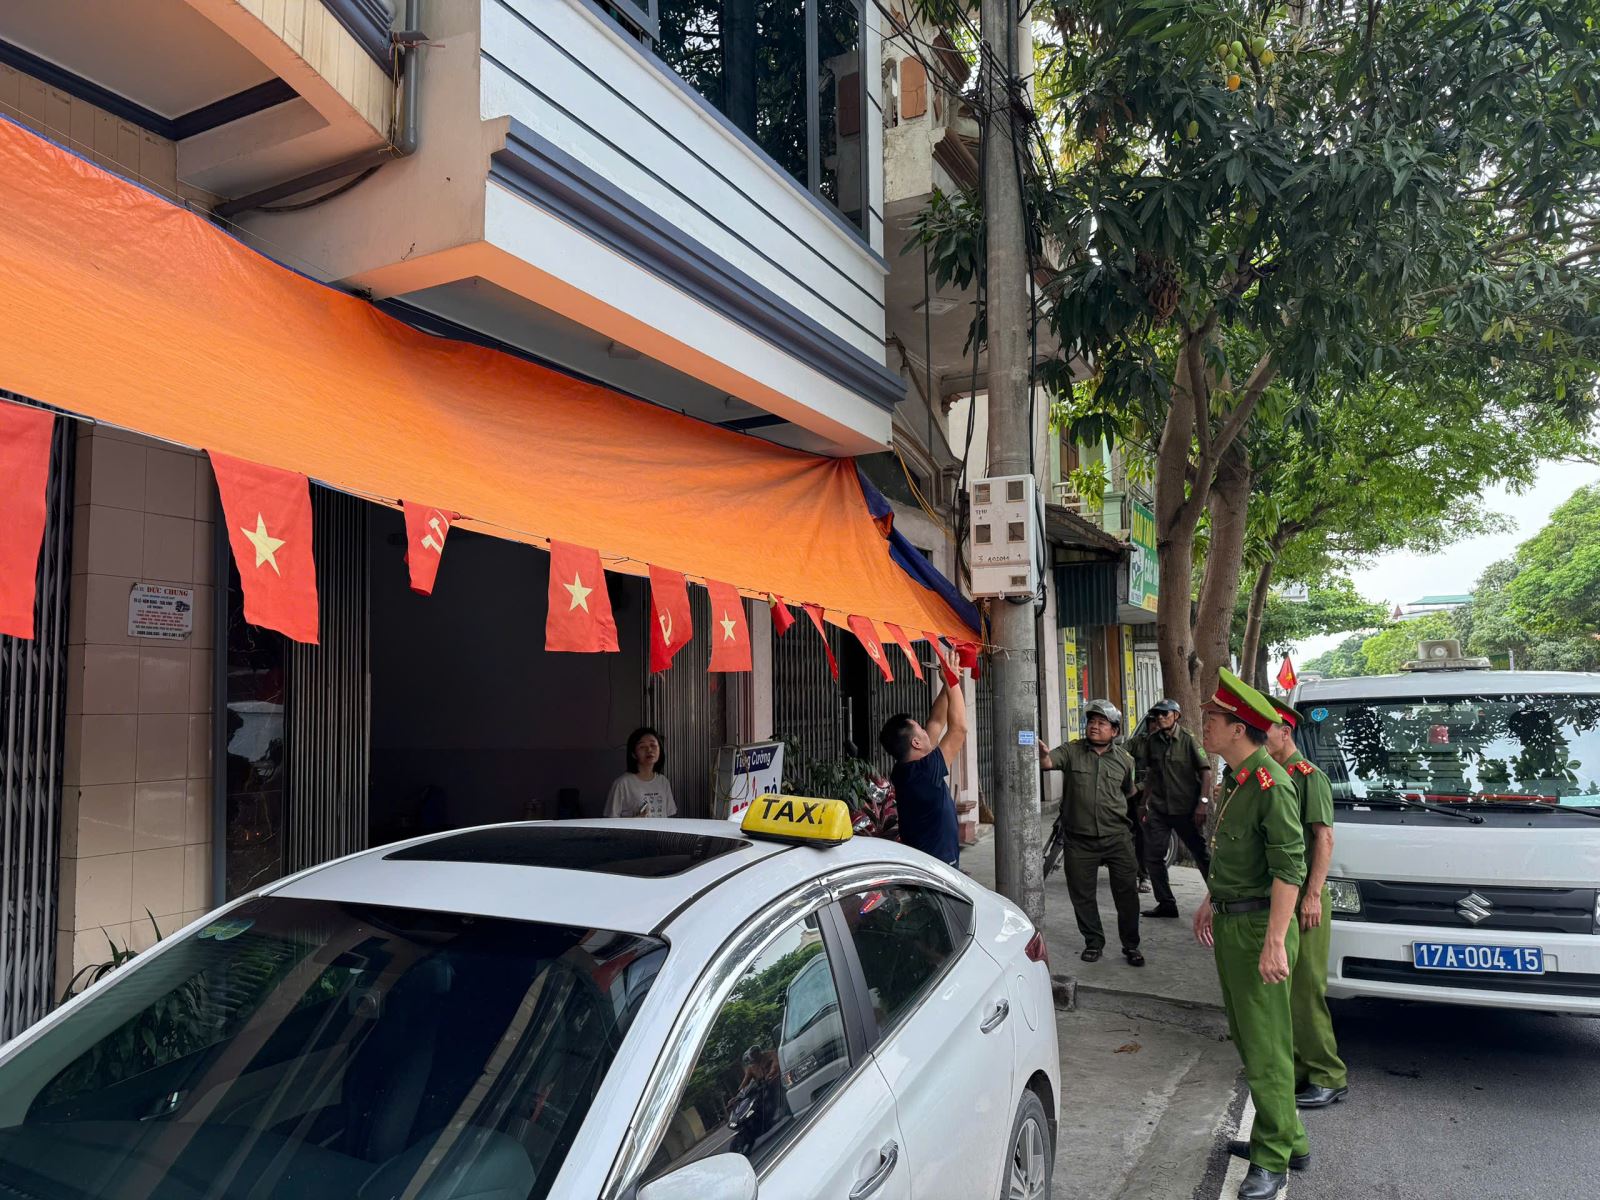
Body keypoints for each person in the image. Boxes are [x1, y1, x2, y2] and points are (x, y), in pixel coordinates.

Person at [1195, 669, 1309, 1200]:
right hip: (1232, 921)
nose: (1205, 726)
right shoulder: (1240, 780)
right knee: (1250, 1037)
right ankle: (1291, 1137)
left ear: (1239, 729)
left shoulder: (1272, 784)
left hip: (1260, 927)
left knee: (1266, 1046)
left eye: (1212, 720)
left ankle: (1272, 1158)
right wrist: (1210, 899)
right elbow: (1237, 857)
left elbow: (1290, 868)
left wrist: (1274, 941)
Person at [1268, 698, 1350, 1111]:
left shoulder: (1308, 777)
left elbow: (1324, 837)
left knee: (1306, 988)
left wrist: (1314, 894)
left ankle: (1328, 1074)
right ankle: (1299, 1068)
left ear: (1286, 732)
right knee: (1284, 988)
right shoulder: (1271, 776)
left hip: (1304, 897)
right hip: (1280, 894)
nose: (1259, 735)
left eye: (1266, 728)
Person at [1038, 700, 1144, 967]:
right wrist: (1042, 755)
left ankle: (1131, 945)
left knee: (1127, 894)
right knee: (1082, 895)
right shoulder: (1072, 751)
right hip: (1079, 840)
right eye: (1091, 722)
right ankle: (1093, 942)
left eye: (1101, 723)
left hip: (1117, 837)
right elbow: (1049, 762)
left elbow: (1129, 791)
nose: (1094, 727)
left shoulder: (1125, 760)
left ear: (1115, 731)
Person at [1128, 698, 1214, 918]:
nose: (1160, 718)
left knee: (1201, 854)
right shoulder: (1153, 741)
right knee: (1153, 856)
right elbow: (1152, 774)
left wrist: (1203, 803)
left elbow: (1206, 771)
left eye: (1165, 714)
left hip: (1186, 810)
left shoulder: (1188, 739)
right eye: (1157, 714)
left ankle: (1219, 899)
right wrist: (1143, 803)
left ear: (1176, 716)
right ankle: (1166, 903)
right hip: (1160, 809)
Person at [878, 677, 967, 867]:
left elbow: (936, 721)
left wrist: (947, 681)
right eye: (921, 729)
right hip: (939, 867)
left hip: (924, 864)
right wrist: (953, 680)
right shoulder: (925, 774)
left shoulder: (905, 769)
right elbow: (959, 729)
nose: (926, 731)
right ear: (916, 743)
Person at [605, 727, 677, 818]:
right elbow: (610, 821)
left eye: (653, 745)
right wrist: (636, 820)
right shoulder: (622, 784)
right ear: (633, 754)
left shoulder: (663, 781)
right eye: (642, 747)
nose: (649, 750)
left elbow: (669, 815)